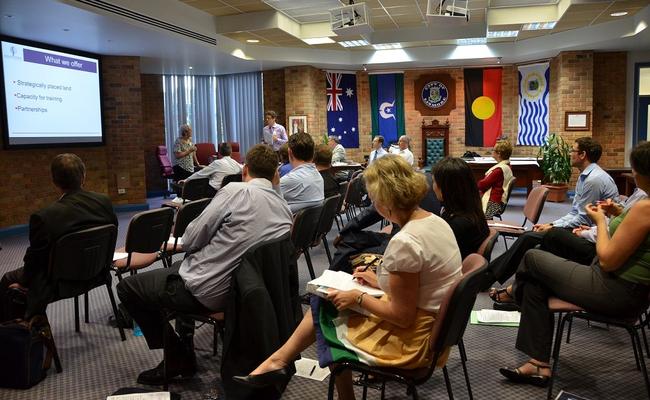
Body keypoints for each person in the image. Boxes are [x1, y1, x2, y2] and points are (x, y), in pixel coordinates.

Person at [235, 156, 462, 400]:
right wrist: (379, 281)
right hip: (434, 330)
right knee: (324, 305)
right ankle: (278, 361)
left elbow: (402, 316)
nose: (373, 205)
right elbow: (422, 283)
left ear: (385, 201)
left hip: (413, 342)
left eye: (374, 199)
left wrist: (358, 297)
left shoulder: (405, 241)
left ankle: (278, 362)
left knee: (325, 317)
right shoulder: (435, 222)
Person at [117, 144, 292, 386]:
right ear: (276, 174)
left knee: (129, 287)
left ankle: (178, 356)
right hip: (249, 293)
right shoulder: (284, 208)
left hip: (209, 291)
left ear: (245, 170)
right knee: (179, 268)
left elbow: (189, 239)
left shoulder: (235, 192)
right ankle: (184, 344)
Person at [498, 141, 650, 388]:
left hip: (616, 290)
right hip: (619, 285)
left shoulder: (645, 207)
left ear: (643, 173)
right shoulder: (642, 205)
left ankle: (515, 292)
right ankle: (538, 364)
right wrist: (617, 212)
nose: (631, 174)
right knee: (536, 281)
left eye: (633, 170)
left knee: (533, 258)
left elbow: (608, 259)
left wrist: (600, 222)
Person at [0, 154, 117, 322]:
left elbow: (35, 260)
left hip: (59, 283)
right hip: (97, 273)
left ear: (54, 181)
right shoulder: (104, 202)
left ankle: (14, 337)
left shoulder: (44, 217)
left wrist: (24, 284)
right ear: (83, 176)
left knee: (7, 280)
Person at [488, 137, 619, 285]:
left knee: (529, 238)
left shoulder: (593, 180)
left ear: (583, 155)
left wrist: (552, 227)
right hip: (588, 229)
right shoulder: (586, 177)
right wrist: (551, 223)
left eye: (573, 150)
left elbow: (583, 219)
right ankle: (496, 276)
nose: (570, 153)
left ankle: (489, 276)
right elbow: (575, 213)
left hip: (592, 236)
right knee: (531, 237)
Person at [432, 157, 490, 259]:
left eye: (434, 182)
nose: (433, 187)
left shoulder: (457, 225)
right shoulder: (471, 210)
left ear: (446, 188)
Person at [280, 132, 324, 213]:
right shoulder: (319, 177)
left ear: (289, 152)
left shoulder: (287, 181)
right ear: (313, 153)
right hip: (311, 225)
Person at [478, 140, 514, 219]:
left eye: (493, 150)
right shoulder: (507, 165)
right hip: (497, 201)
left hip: (493, 203)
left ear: (499, 153)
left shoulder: (499, 170)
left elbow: (482, 185)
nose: (492, 151)